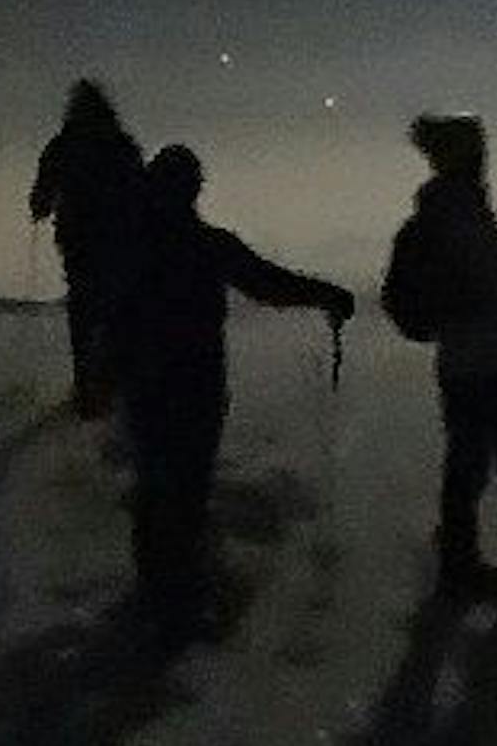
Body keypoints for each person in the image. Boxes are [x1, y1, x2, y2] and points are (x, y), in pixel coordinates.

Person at [107, 143, 353, 645]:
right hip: (196, 382)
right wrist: (326, 293)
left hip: (148, 384)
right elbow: (266, 283)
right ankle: (180, 594)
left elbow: (111, 319)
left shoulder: (132, 249)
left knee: (157, 485)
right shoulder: (206, 244)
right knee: (187, 486)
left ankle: (158, 592)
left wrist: (104, 373)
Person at [381, 113, 497, 630]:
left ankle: (460, 567)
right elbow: (495, 289)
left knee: (467, 464)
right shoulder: (464, 214)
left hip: (461, 363)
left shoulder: (434, 216)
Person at [28, 80, 147, 415]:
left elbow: (41, 196)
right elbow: (141, 190)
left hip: (78, 241)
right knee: (116, 309)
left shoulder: (63, 145)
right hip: (119, 242)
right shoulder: (121, 144)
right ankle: (114, 383)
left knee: (83, 312)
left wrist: (41, 206)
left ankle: (87, 390)